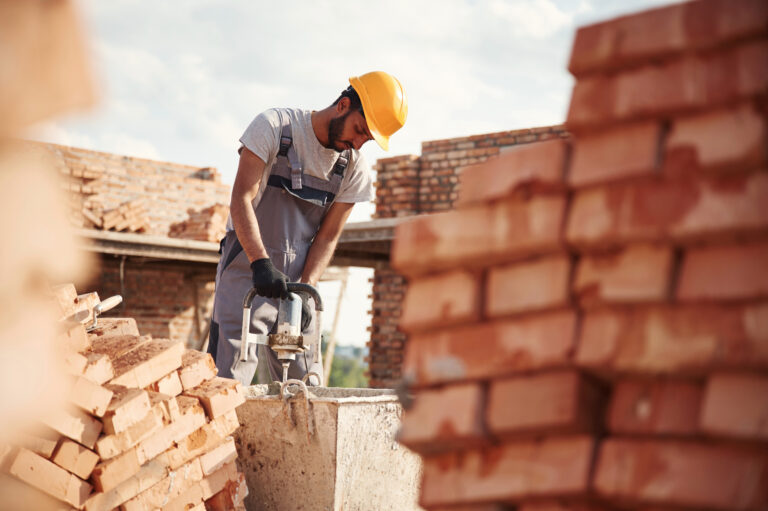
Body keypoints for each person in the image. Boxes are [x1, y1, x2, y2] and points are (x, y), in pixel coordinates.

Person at [207, 71, 408, 387]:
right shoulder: (274, 127)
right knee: (228, 380)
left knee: (307, 387)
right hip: (247, 267)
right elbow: (240, 199)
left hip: (300, 280)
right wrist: (261, 263)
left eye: (366, 139)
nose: (357, 143)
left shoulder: (353, 167)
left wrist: (306, 288)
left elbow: (328, 236)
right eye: (359, 130)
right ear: (343, 105)